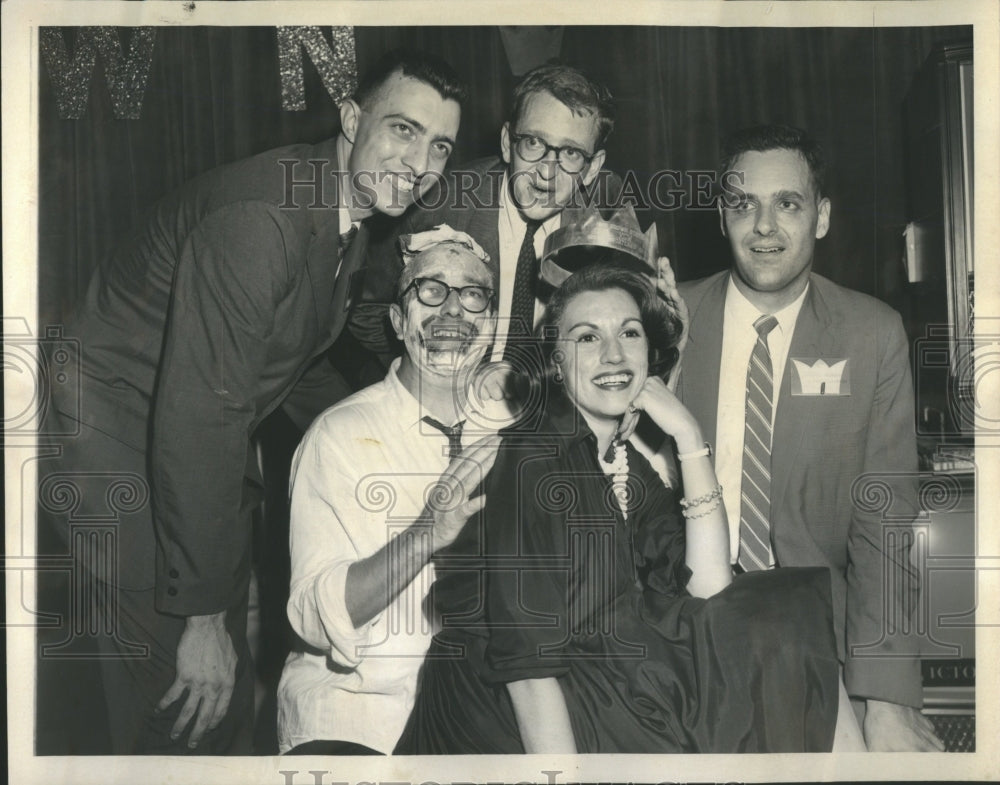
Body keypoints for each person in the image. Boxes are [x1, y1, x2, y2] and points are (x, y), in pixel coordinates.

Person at [37, 49, 466, 754]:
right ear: (353, 119)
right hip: (112, 442)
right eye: (402, 130)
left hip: (186, 441)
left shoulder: (341, 209)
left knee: (222, 688)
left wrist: (404, 416)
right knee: (183, 693)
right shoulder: (262, 221)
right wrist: (201, 614)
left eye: (439, 145)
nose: (419, 161)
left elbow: (294, 362)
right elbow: (200, 415)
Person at [397, 263, 856, 754]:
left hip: (591, 678)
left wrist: (688, 438)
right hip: (501, 715)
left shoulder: (620, 457)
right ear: (554, 360)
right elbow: (526, 669)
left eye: (629, 333)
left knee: (780, 618)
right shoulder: (534, 458)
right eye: (587, 338)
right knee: (779, 639)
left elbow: (708, 587)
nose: (614, 354)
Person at [676, 124, 944, 751]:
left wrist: (886, 697)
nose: (764, 225)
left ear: (820, 217)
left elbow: (885, 526)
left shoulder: (871, 334)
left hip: (814, 638)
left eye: (787, 203)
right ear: (722, 216)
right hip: (683, 633)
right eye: (744, 203)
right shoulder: (667, 319)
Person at [277, 226, 501, 755]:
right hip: (359, 721)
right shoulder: (337, 435)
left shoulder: (511, 435)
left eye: (471, 294)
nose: (452, 311)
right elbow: (311, 616)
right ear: (399, 322)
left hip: (478, 721)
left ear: (489, 325)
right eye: (430, 290)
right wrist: (425, 533)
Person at [353, 62, 623, 367]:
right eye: (533, 143)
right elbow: (367, 312)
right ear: (508, 144)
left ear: (593, 168)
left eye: (571, 153)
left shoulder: (603, 228)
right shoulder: (433, 200)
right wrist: (428, 377)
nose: (547, 172)